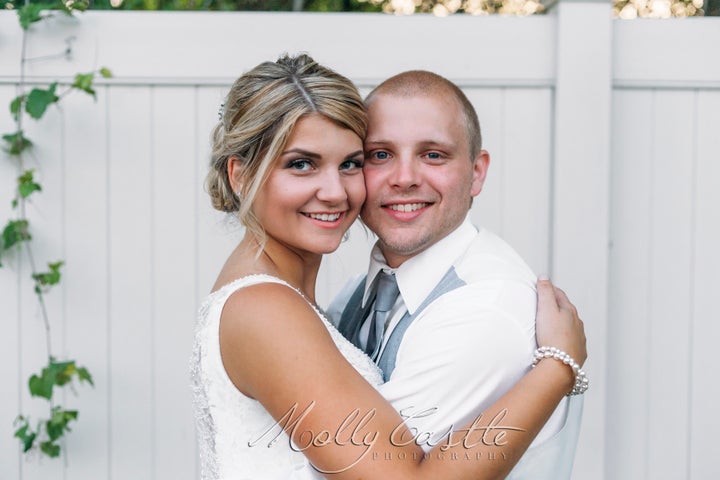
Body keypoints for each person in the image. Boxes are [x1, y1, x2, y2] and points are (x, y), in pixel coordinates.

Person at [190, 53, 587, 480]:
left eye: (350, 164)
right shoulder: (265, 309)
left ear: (476, 171)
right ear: (241, 176)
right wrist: (559, 367)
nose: (334, 192)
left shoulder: (299, 298)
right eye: (301, 164)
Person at [328, 70, 585, 479]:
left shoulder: (483, 311)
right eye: (380, 155)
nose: (405, 177)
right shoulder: (357, 294)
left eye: (433, 154)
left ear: (477, 172)